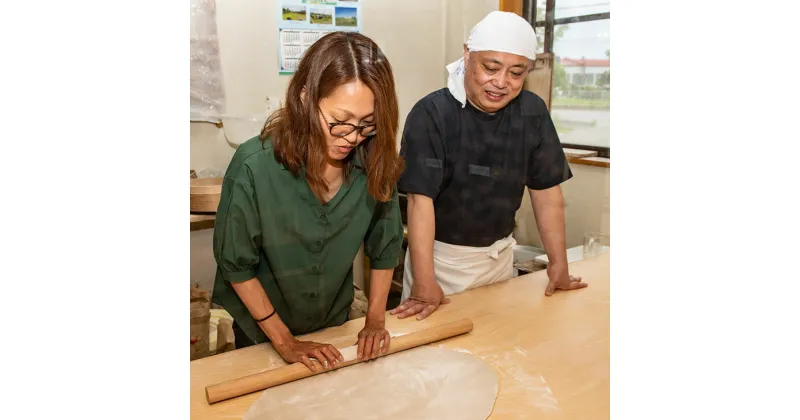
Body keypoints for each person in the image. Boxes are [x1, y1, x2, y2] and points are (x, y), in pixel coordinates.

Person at [211, 31, 405, 371]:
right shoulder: (253, 166)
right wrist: (285, 342)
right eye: (339, 122)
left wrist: (375, 319)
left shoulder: (374, 161)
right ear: (305, 97)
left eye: (367, 125)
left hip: (332, 322)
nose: (352, 138)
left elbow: (385, 246)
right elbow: (236, 266)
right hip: (259, 331)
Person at [391, 11, 588, 321]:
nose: (501, 82)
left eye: (516, 73)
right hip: (441, 266)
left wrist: (558, 264)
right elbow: (419, 201)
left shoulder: (532, 112)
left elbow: (547, 194)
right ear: (467, 55)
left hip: (499, 262)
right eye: (491, 67)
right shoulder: (432, 114)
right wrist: (425, 281)